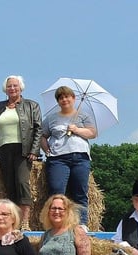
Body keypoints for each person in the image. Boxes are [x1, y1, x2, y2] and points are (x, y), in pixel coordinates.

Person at [0, 75, 41, 229]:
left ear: (21, 87)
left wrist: (34, 150)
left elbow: (38, 129)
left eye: (15, 86)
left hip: (23, 150)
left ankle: (24, 222)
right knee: (9, 185)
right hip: (4, 150)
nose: (12, 88)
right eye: (9, 86)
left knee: (22, 183)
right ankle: (12, 221)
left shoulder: (32, 105)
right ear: (5, 89)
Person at [40, 86, 97, 228]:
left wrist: (76, 129)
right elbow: (42, 136)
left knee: (80, 191)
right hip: (58, 158)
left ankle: (81, 223)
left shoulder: (83, 115)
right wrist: (47, 150)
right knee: (56, 190)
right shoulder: (51, 118)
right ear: (58, 101)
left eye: (67, 97)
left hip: (80, 157)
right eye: (61, 98)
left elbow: (92, 133)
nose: (64, 100)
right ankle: (56, 223)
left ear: (73, 98)